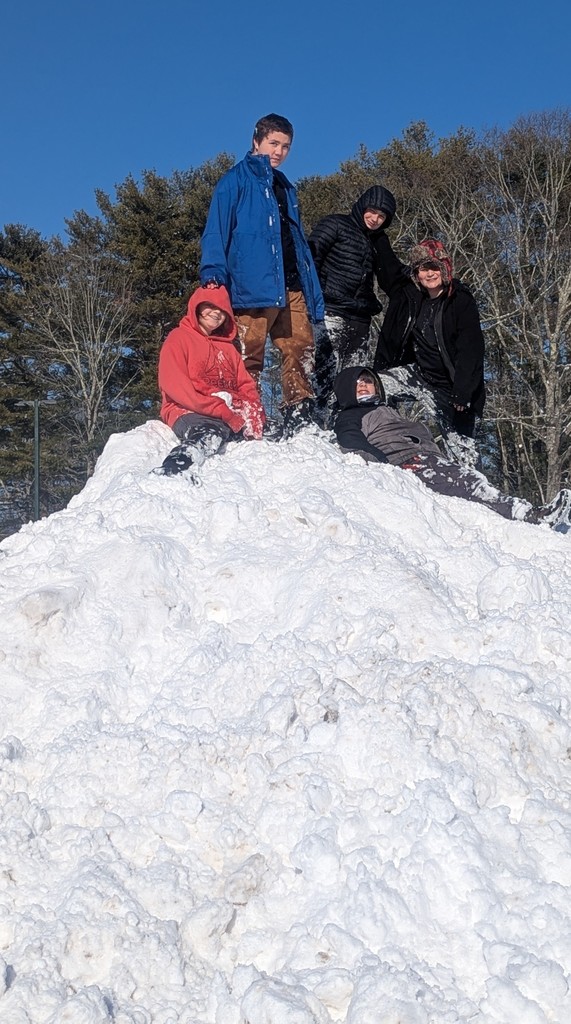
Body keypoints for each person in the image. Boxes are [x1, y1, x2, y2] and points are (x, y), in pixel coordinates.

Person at [199, 113, 324, 436]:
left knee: (300, 346)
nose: (279, 151)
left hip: (290, 282)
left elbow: (294, 238)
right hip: (251, 284)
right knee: (247, 352)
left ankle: (299, 410)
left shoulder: (286, 187)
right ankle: (245, 410)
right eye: (273, 143)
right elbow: (216, 231)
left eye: (285, 146)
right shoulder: (235, 181)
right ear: (256, 141)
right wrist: (213, 273)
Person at [333, 367, 571, 530]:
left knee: (470, 482)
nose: (364, 386)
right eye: (357, 383)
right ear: (345, 389)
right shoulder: (351, 415)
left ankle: (519, 513)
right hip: (409, 462)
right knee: (468, 482)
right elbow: (352, 441)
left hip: (426, 459)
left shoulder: (387, 410)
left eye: (368, 381)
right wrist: (384, 468)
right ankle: (531, 516)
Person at [372, 233, 485, 469]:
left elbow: (471, 349)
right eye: (422, 270)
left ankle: (473, 499)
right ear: (416, 275)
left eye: (433, 267)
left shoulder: (460, 301)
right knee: (374, 386)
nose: (429, 274)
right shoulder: (414, 297)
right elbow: (390, 267)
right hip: (420, 376)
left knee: (464, 457)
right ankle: (384, 449)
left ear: (444, 269)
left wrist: (463, 391)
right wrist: (377, 235)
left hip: (452, 388)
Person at [156, 285, 265, 480]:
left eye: (223, 310)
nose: (217, 313)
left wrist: (254, 410)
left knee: (271, 431)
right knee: (210, 434)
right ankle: (173, 470)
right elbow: (175, 386)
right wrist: (219, 409)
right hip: (189, 410)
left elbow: (245, 384)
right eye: (210, 306)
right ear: (196, 307)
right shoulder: (178, 338)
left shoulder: (229, 349)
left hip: (229, 411)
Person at [308, 185, 396, 421]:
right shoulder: (335, 223)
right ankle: (314, 423)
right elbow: (311, 257)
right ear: (362, 207)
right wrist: (311, 297)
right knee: (322, 369)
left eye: (382, 216)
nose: (375, 219)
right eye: (372, 212)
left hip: (360, 316)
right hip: (330, 308)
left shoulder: (376, 241)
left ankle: (344, 424)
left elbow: (389, 272)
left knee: (353, 376)